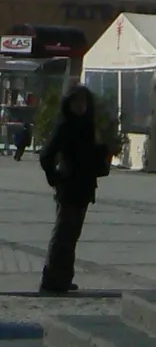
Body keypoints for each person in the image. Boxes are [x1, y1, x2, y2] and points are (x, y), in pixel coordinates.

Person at [39, 84, 111, 295]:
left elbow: (88, 155)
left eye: (83, 102)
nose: (80, 106)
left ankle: (63, 278)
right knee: (62, 234)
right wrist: (55, 178)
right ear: (68, 104)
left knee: (71, 236)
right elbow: (46, 156)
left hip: (84, 188)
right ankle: (51, 280)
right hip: (69, 187)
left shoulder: (87, 127)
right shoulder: (65, 126)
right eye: (76, 102)